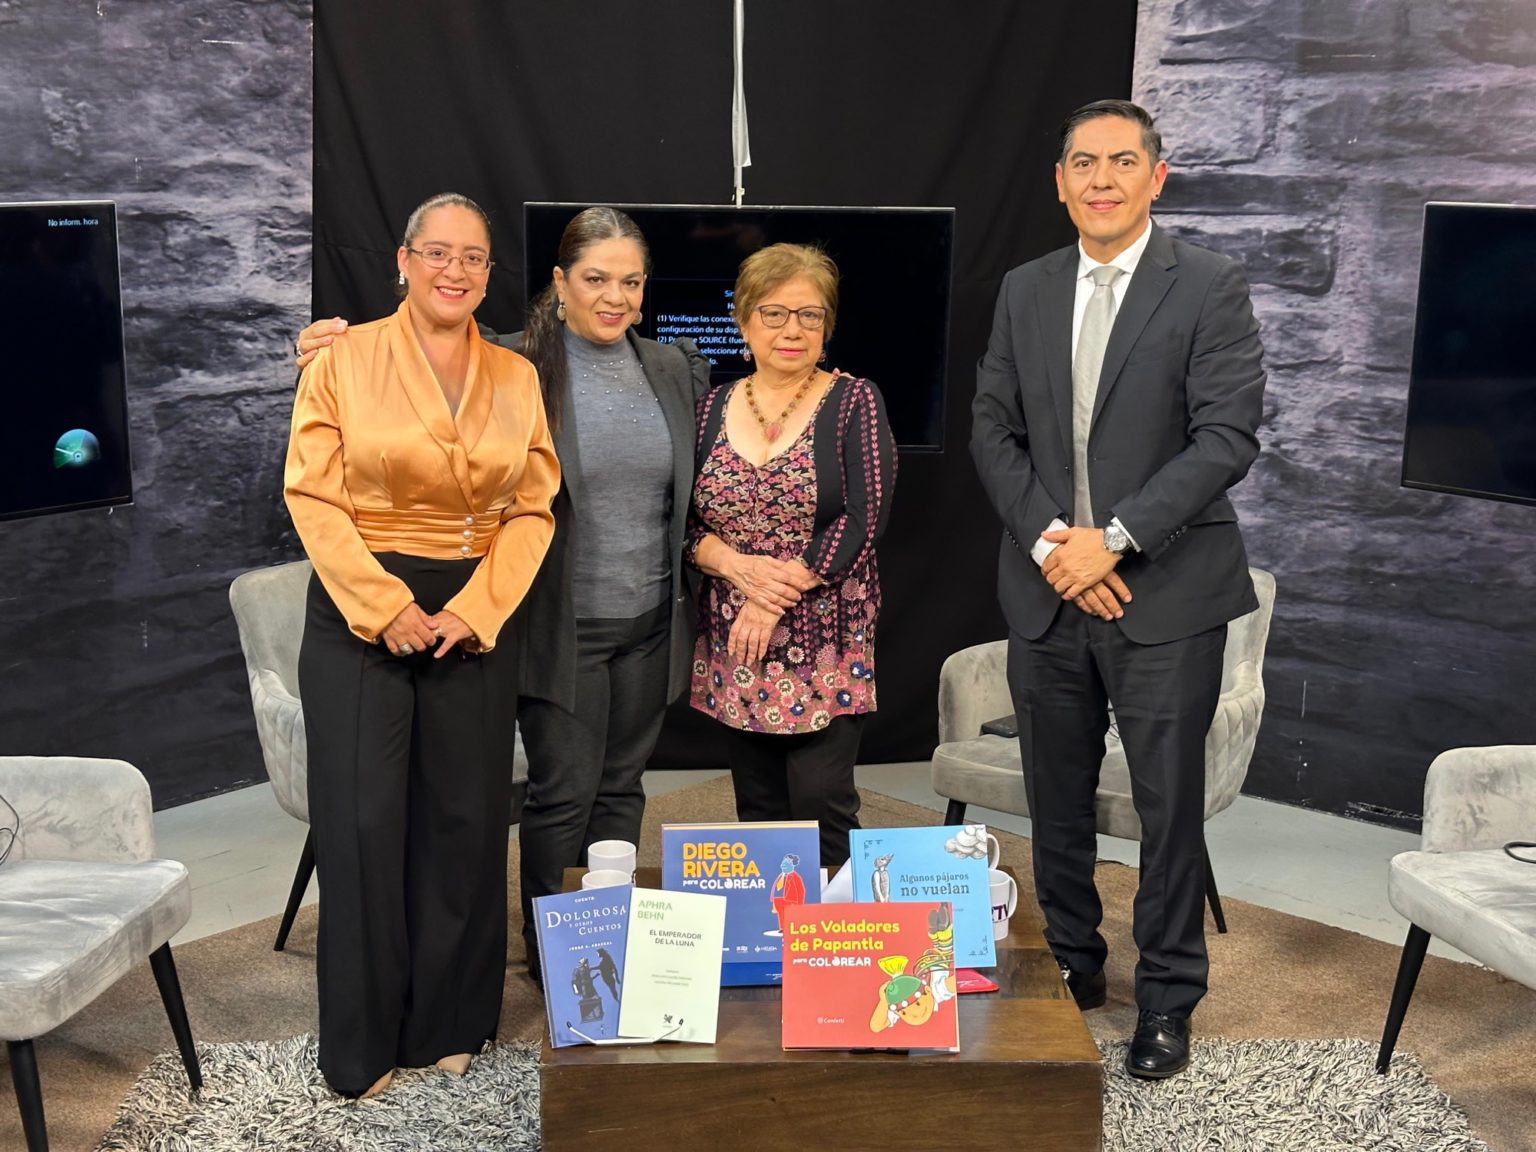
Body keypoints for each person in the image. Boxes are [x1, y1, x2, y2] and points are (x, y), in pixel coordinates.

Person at [296, 207, 709, 984]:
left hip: (651, 619)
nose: (614, 296)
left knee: (622, 790)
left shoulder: (672, 369)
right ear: (560, 282)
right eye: (595, 278)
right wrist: (322, 348)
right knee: (565, 793)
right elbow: (419, 358)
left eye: (630, 281)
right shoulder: (514, 360)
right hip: (555, 619)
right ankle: (556, 961)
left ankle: (610, 947)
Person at [971, 99, 1266, 1080]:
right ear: (1060, 181)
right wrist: (1059, 547)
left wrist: (1118, 542)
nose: (1103, 179)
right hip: (1048, 587)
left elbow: (1226, 438)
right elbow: (992, 431)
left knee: (1166, 811)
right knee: (1054, 801)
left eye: (1123, 161)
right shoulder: (1025, 288)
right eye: (1084, 163)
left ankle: (1168, 997)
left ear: (1156, 177)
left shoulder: (1210, 285)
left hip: (1166, 594)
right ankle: (1074, 964)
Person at [285, 192, 559, 1097]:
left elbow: (533, 508)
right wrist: (384, 604)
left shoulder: (516, 376)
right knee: (363, 826)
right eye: (437, 252)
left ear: (488, 274)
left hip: (473, 613)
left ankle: (451, 1019)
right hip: (360, 608)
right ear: (403, 261)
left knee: (464, 821)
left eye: (473, 257)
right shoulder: (341, 358)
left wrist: (479, 609)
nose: (455, 270)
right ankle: (361, 1047)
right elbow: (312, 496)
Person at [688, 243, 898, 869]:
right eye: (774, 313)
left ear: (827, 327)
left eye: (810, 315)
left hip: (824, 632)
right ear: (744, 321)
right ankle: (772, 924)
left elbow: (865, 515)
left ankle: (837, 924)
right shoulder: (708, 408)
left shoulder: (854, 401)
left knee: (821, 797)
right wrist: (734, 569)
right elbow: (686, 521)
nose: (792, 330)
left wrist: (772, 596)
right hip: (737, 636)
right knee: (758, 805)